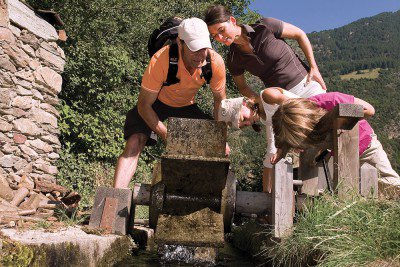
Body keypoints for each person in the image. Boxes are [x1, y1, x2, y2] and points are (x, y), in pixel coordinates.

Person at [204, 5, 326, 189]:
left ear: (232, 21)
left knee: (328, 123)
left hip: (306, 85)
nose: (220, 38)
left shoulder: (265, 26)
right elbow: (243, 87)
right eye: (215, 36)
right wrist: (258, 100)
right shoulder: (233, 59)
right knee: (279, 149)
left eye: (221, 30)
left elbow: (300, 34)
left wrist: (313, 67)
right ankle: (277, 202)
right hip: (281, 100)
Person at [113, 18, 226, 188]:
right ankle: (116, 197)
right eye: (195, 49)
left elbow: (220, 102)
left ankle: (200, 196)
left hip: (187, 106)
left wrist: (219, 136)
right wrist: (166, 135)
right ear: (180, 44)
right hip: (155, 104)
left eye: (204, 48)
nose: (201, 56)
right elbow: (144, 106)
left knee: (215, 144)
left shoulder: (214, 62)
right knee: (135, 141)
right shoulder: (161, 60)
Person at [272, 92, 400, 196]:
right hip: (339, 154)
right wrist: (281, 150)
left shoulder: (330, 101)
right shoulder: (287, 123)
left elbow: (369, 110)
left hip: (366, 145)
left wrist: (339, 119)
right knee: (345, 189)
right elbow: (282, 136)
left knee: (391, 183)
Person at [218, 87, 298, 192]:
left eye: (243, 119)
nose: (247, 123)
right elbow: (271, 151)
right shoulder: (265, 119)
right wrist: (266, 195)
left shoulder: (266, 96)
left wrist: (295, 138)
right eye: (243, 126)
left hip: (313, 113)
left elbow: (295, 106)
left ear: (244, 104)